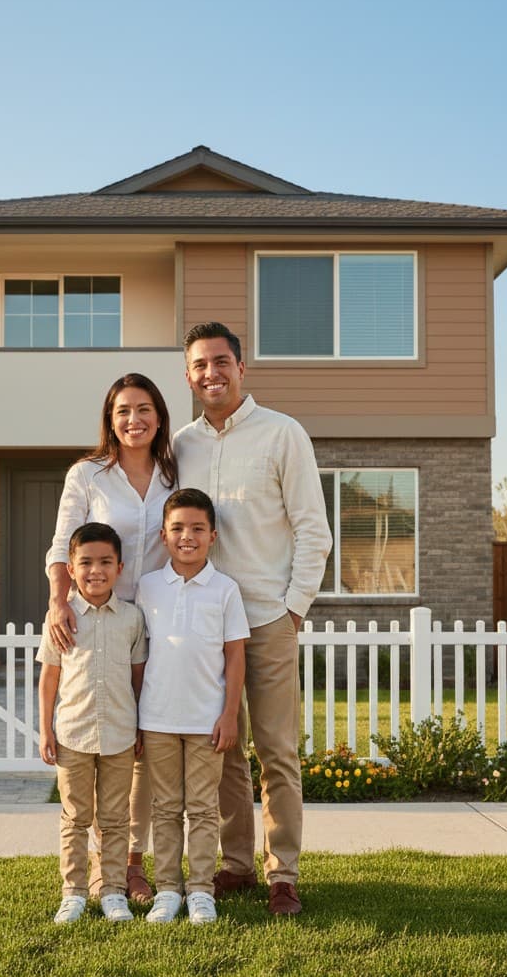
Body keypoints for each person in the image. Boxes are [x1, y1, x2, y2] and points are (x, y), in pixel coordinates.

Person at [173, 321, 332, 917]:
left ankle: (283, 873)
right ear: (188, 377)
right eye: (198, 366)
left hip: (267, 618)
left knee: (277, 752)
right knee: (221, 750)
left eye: (220, 361)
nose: (210, 373)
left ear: (242, 368)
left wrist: (293, 610)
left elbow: (315, 531)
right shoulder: (181, 444)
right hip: (204, 621)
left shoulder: (282, 435)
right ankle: (236, 865)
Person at [45, 372, 176, 901]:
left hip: (163, 618)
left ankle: (132, 860)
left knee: (141, 738)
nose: (133, 420)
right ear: (110, 418)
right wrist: (59, 602)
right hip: (101, 616)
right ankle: (105, 865)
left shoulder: (175, 471)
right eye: (123, 410)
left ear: (160, 416)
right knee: (101, 736)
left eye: (143, 409)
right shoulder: (88, 475)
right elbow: (61, 546)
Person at [135, 488, 248, 925]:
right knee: (165, 808)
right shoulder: (148, 588)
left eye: (197, 529)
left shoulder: (224, 590)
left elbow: (235, 655)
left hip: (207, 721)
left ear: (212, 536)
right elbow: (139, 654)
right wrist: (138, 718)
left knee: (202, 808)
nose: (188, 537)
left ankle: (201, 890)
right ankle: (167, 889)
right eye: (178, 528)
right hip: (158, 718)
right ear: (163, 536)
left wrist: (229, 713)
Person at [37, 522, 147, 924]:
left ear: (119, 567)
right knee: (75, 818)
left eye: (105, 562)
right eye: (85, 563)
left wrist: (139, 728)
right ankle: (74, 893)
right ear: (71, 567)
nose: (95, 570)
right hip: (73, 735)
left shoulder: (132, 619)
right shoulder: (60, 618)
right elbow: (49, 677)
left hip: (120, 735)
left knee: (117, 819)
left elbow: (139, 677)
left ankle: (113, 890)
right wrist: (45, 729)